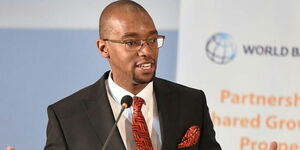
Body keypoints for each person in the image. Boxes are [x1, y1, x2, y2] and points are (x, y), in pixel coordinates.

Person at [4, 0, 278, 150]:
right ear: (104, 48)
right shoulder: (67, 115)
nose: (146, 51)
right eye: (132, 42)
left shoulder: (190, 102)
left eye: (152, 39)